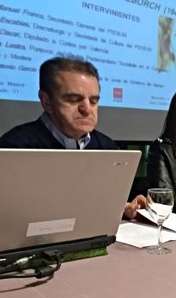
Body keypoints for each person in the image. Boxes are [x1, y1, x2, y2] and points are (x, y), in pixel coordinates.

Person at [0, 57, 145, 218]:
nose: (86, 109)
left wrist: (123, 207)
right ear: (46, 101)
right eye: (74, 100)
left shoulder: (108, 148)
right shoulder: (14, 148)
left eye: (94, 101)